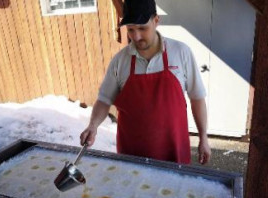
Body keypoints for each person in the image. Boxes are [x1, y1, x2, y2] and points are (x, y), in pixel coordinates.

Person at [80, 0, 211, 165]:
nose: (136, 37)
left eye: (142, 28)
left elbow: (197, 97)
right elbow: (104, 100)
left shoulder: (181, 52)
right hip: (132, 154)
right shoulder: (120, 61)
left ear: (156, 21)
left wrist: (203, 138)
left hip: (174, 150)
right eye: (130, 30)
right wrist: (93, 126)